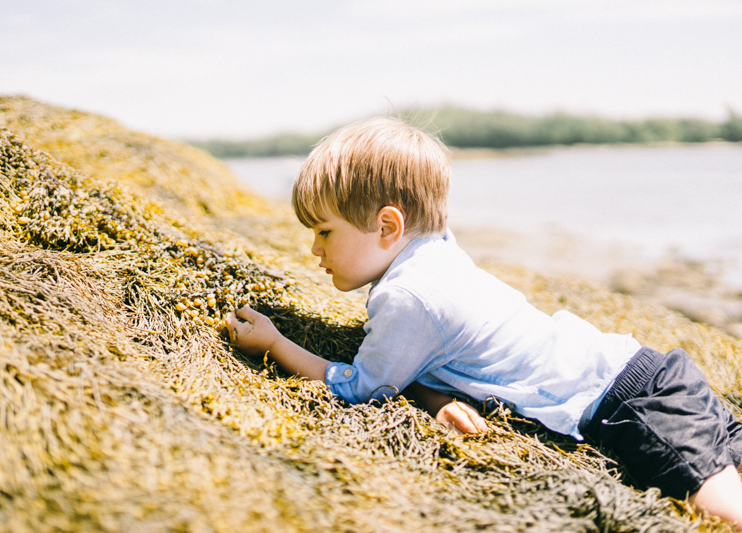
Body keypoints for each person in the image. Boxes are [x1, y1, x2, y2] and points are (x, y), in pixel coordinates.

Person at [222, 117, 742, 526]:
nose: (312, 249)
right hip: (643, 370)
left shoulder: (407, 298)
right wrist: (438, 400)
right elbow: (435, 359)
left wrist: (275, 344)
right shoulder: (436, 250)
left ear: (387, 225)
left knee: (722, 512)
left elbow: (362, 388)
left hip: (626, 404)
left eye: (324, 232)